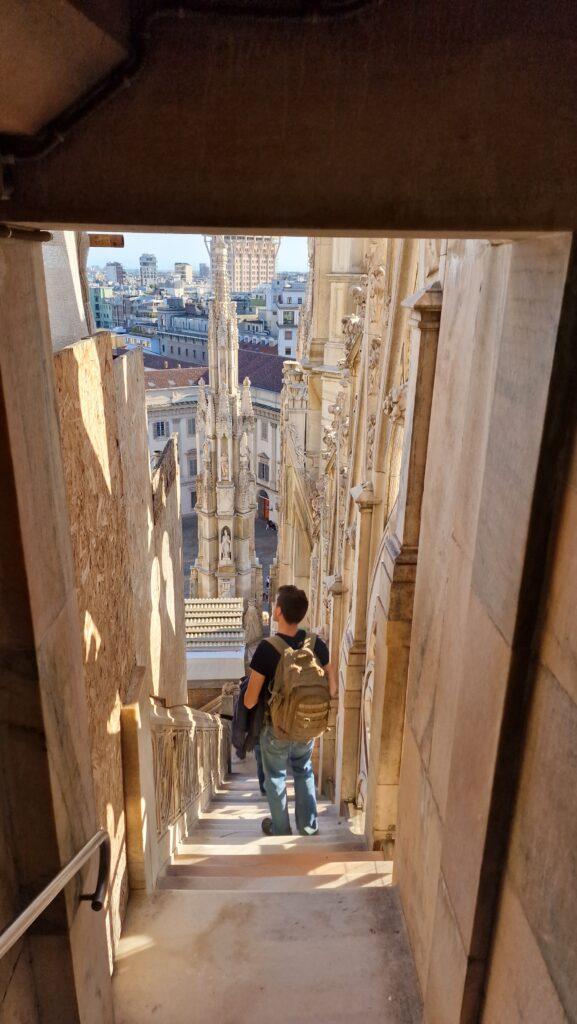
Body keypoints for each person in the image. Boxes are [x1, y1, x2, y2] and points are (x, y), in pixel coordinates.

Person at [244, 585, 337, 836]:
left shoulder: (267, 649)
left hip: (277, 728)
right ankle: (308, 826)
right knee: (304, 769)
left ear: (278, 612)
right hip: (308, 724)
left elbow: (250, 700)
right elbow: (333, 688)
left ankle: (281, 829)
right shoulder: (318, 644)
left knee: (275, 776)